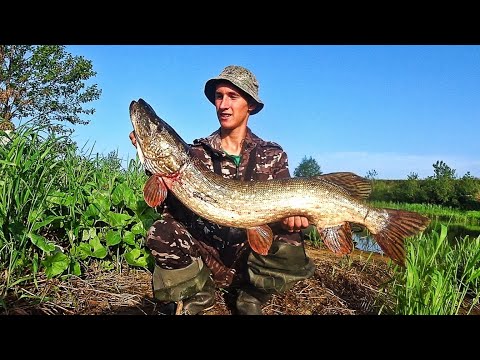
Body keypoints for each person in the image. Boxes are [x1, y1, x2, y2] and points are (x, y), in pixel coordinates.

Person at [129, 65, 316, 315]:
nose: (223, 105)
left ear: (250, 105)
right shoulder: (195, 153)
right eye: (219, 96)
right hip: (208, 252)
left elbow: (289, 205)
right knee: (160, 229)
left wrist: (294, 218)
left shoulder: (273, 154)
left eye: (233, 96)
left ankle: (252, 295)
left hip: (248, 256)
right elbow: (167, 207)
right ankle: (199, 291)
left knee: (291, 239)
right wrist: (152, 164)